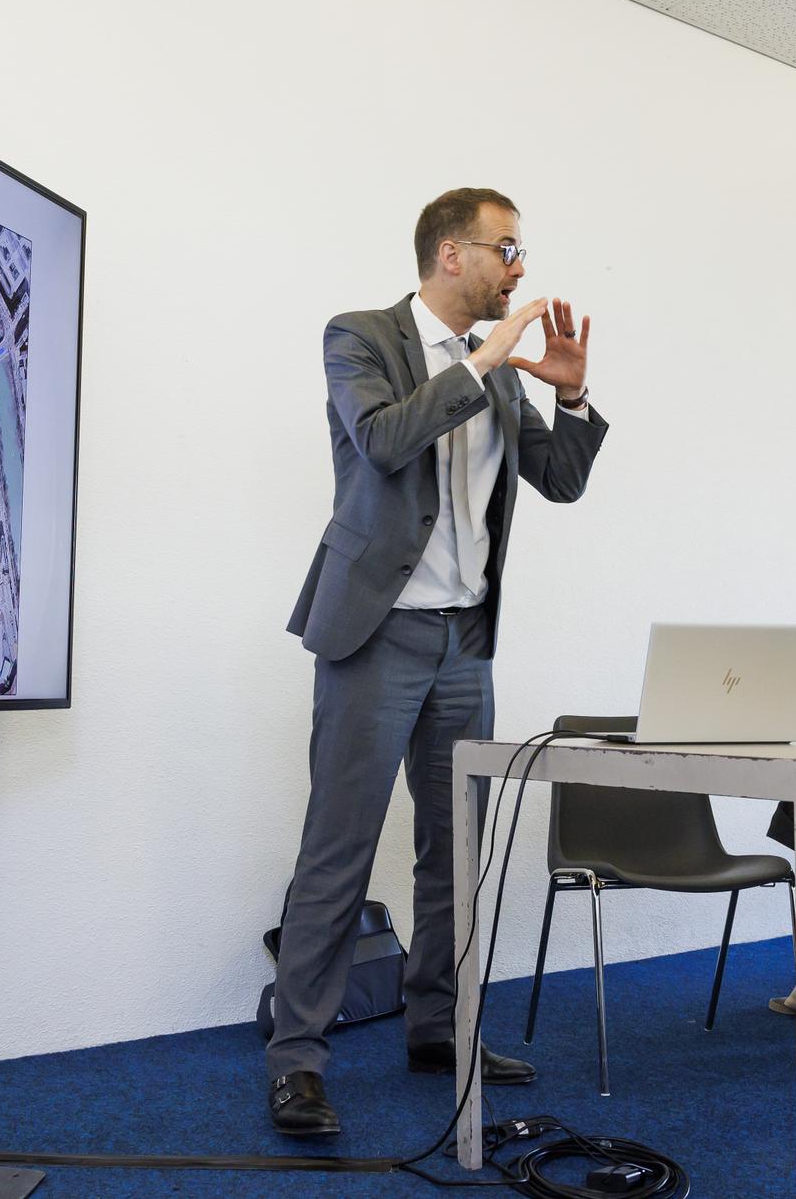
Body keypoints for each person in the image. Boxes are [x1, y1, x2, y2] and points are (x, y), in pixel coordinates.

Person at [265, 188, 609, 1136]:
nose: (520, 268)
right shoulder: (361, 336)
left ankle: (439, 1026)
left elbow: (562, 479)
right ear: (452, 254)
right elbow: (381, 441)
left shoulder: (500, 373)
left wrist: (568, 393)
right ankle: (296, 1057)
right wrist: (488, 359)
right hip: (377, 635)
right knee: (338, 850)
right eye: (508, 248)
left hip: (465, 641)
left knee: (454, 853)